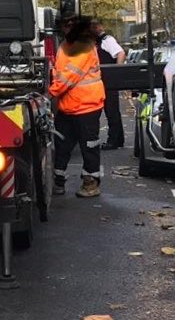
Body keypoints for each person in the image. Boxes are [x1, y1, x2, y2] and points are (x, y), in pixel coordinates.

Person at [49, 16, 106, 198]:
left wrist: (49, 93)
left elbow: (68, 76)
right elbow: (58, 72)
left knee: (88, 146)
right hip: (70, 106)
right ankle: (58, 181)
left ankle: (90, 183)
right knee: (62, 145)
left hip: (86, 106)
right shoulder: (68, 45)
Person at [91, 20, 126, 150]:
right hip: (100, 82)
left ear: (100, 27)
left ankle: (114, 140)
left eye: (95, 26)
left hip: (108, 81)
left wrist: (116, 71)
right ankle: (117, 139)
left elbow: (121, 53)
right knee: (110, 111)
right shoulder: (96, 42)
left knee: (111, 112)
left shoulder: (107, 40)